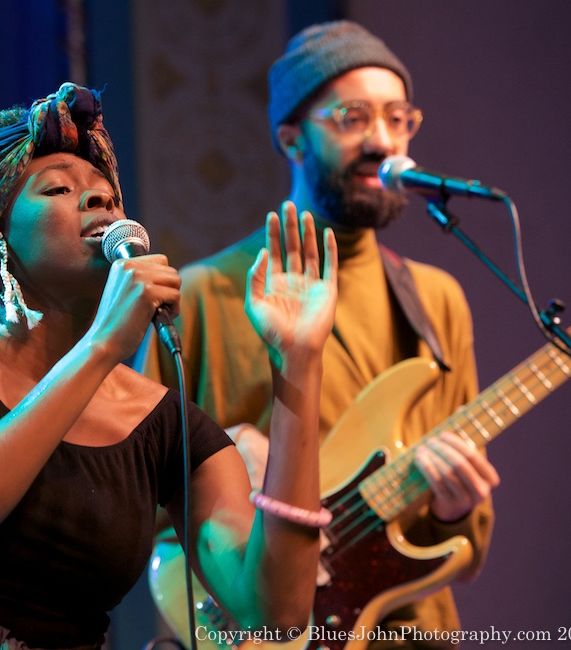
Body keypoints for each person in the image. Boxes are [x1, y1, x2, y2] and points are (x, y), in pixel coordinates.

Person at [0, 81, 340, 650]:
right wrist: (103, 345)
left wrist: (299, 364)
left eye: (108, 195)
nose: (100, 202)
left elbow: (275, 612)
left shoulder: (163, 422)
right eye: (58, 188)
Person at [136, 20, 500, 648]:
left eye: (398, 119)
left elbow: (466, 542)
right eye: (352, 118)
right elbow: (135, 491)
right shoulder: (201, 295)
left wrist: (455, 508)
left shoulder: (438, 300)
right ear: (292, 139)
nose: (383, 141)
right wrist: (228, 468)